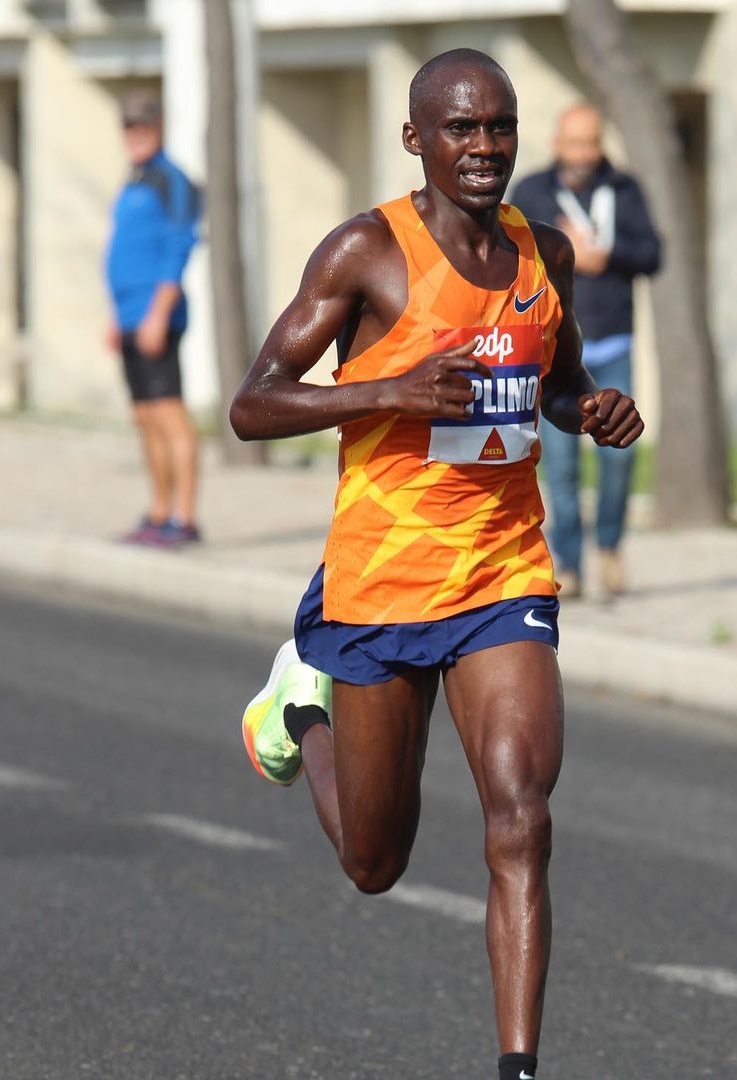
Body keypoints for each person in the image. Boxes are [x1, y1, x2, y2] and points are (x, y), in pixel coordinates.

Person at [229, 49, 643, 1080]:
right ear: (416, 139)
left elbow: (558, 378)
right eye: (461, 129)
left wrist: (588, 408)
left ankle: (517, 1068)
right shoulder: (365, 252)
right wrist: (388, 392)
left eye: (500, 127)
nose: (485, 147)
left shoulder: (544, 249)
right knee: (376, 863)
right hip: (379, 580)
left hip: (503, 573)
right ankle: (298, 708)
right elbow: (254, 403)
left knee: (523, 811)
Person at [510, 103, 660, 599]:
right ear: (557, 144)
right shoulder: (532, 191)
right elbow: (505, 254)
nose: (583, 154)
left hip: (612, 339)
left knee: (619, 454)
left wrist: (605, 255)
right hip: (553, 350)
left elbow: (653, 253)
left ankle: (611, 546)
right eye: (574, 143)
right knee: (561, 463)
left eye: (591, 143)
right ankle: (569, 564)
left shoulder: (623, 188)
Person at [104, 90, 202, 548]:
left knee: (169, 415)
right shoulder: (135, 179)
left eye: (142, 126)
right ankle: (157, 512)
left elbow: (179, 247)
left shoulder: (171, 179)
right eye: (129, 126)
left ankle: (184, 518)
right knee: (144, 416)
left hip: (155, 319)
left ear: (158, 127)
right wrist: (115, 316)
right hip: (127, 318)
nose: (135, 134)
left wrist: (157, 315)